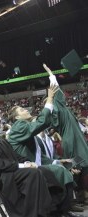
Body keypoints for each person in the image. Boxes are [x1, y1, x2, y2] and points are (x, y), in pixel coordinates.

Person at [0, 105, 56, 217]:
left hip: (9, 171)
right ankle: (33, 214)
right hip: (0, 177)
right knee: (32, 174)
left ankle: (53, 211)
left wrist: (27, 162)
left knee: (45, 171)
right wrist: (22, 166)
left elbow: (13, 155)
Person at [7, 85, 77, 216]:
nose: (26, 110)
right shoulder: (18, 126)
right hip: (26, 169)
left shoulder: (27, 130)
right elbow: (41, 122)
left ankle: (62, 210)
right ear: (16, 118)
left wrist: (59, 161)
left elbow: (40, 156)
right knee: (61, 171)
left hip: (36, 165)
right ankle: (60, 210)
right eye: (22, 110)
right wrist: (50, 99)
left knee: (65, 168)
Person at [43, 64, 88, 206]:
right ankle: (73, 198)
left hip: (72, 138)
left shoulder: (56, 111)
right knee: (76, 166)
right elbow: (55, 88)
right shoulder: (59, 108)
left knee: (78, 167)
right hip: (73, 140)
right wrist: (51, 75)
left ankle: (79, 196)